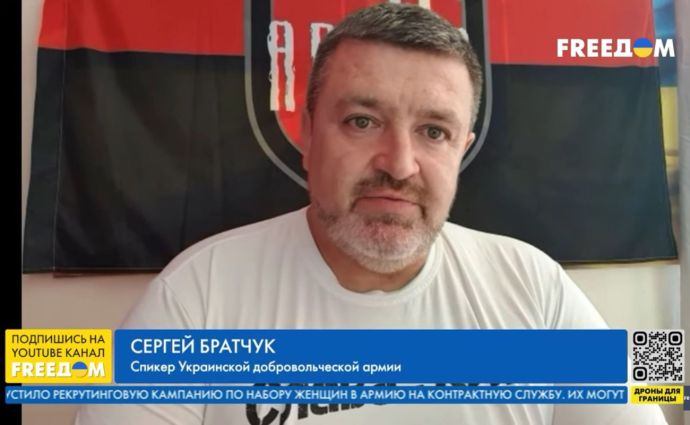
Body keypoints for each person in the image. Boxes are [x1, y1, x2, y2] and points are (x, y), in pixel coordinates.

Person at [76, 4, 668, 425]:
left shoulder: (535, 286)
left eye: (434, 131)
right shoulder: (198, 295)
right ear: (308, 134)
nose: (400, 164)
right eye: (362, 121)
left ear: (461, 150)